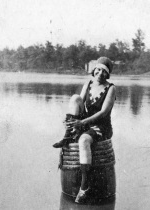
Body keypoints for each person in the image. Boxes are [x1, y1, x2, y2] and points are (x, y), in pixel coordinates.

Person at [53, 57, 116, 203]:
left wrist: (81, 122)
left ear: (107, 75)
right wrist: (71, 121)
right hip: (85, 122)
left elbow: (103, 112)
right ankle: (68, 135)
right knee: (75, 98)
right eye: (98, 70)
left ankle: (84, 186)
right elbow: (79, 102)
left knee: (83, 140)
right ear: (94, 70)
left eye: (104, 72)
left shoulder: (111, 88)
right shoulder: (88, 83)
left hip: (101, 126)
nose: (100, 73)